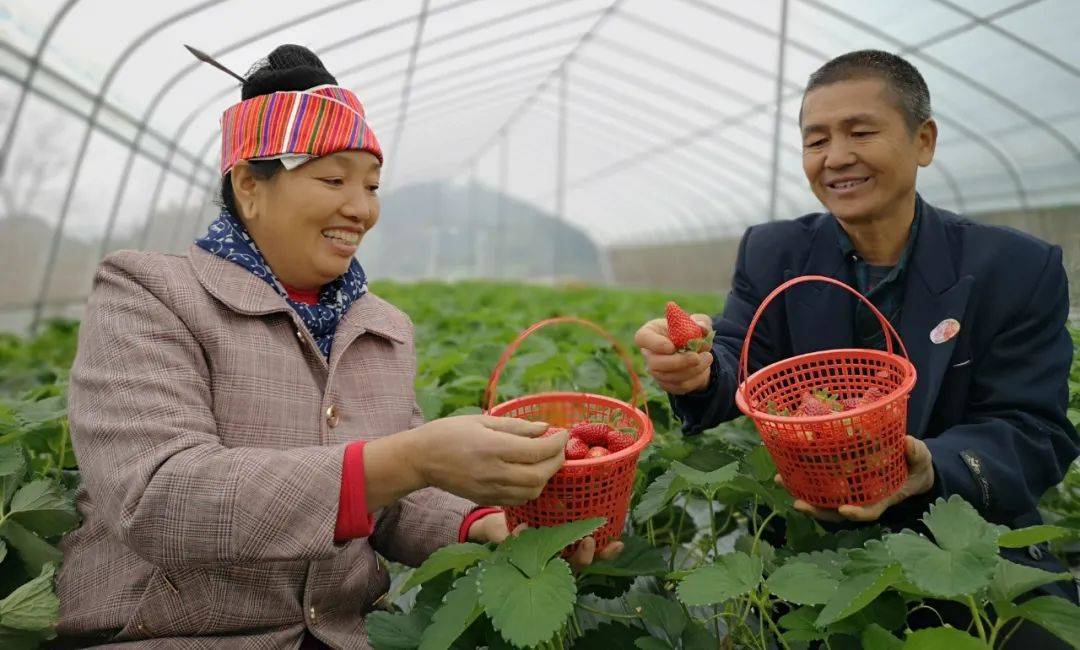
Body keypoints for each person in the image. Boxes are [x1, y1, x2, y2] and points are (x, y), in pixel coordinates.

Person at [57, 45, 617, 648]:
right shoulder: (152, 294)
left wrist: (489, 522)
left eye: (371, 185)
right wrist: (410, 459)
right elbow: (161, 497)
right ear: (250, 186)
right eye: (333, 179)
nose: (361, 208)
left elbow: (397, 504)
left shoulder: (381, 328)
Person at [635, 50, 1079, 639]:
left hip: (969, 539)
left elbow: (1036, 430)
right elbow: (739, 360)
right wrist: (696, 370)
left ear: (923, 141)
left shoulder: (1016, 268)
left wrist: (930, 467)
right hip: (813, 545)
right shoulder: (775, 254)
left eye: (861, 132)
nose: (836, 157)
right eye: (815, 140)